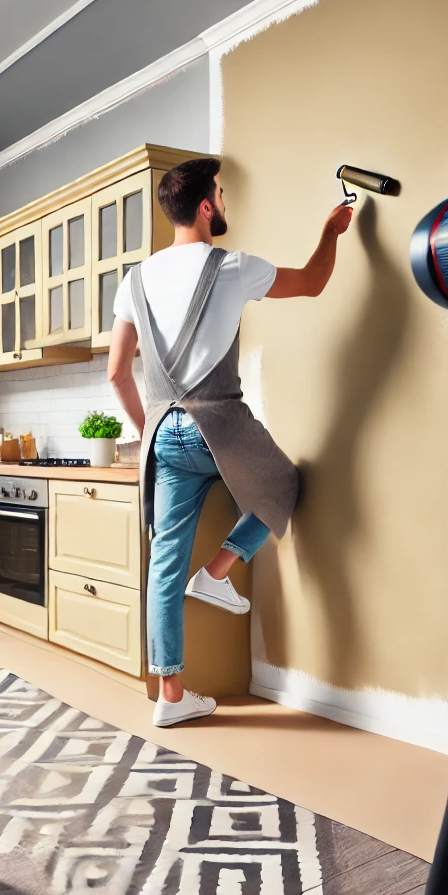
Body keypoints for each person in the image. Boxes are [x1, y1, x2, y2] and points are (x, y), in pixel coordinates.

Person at [107, 157, 353, 727]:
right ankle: (218, 572)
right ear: (205, 206)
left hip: (163, 434)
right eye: (220, 192)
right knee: (282, 484)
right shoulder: (232, 267)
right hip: (219, 423)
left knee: (163, 562)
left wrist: (152, 431)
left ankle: (171, 695)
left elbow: (118, 372)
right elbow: (313, 283)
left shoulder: (134, 280)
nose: (223, 200)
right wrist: (329, 233)